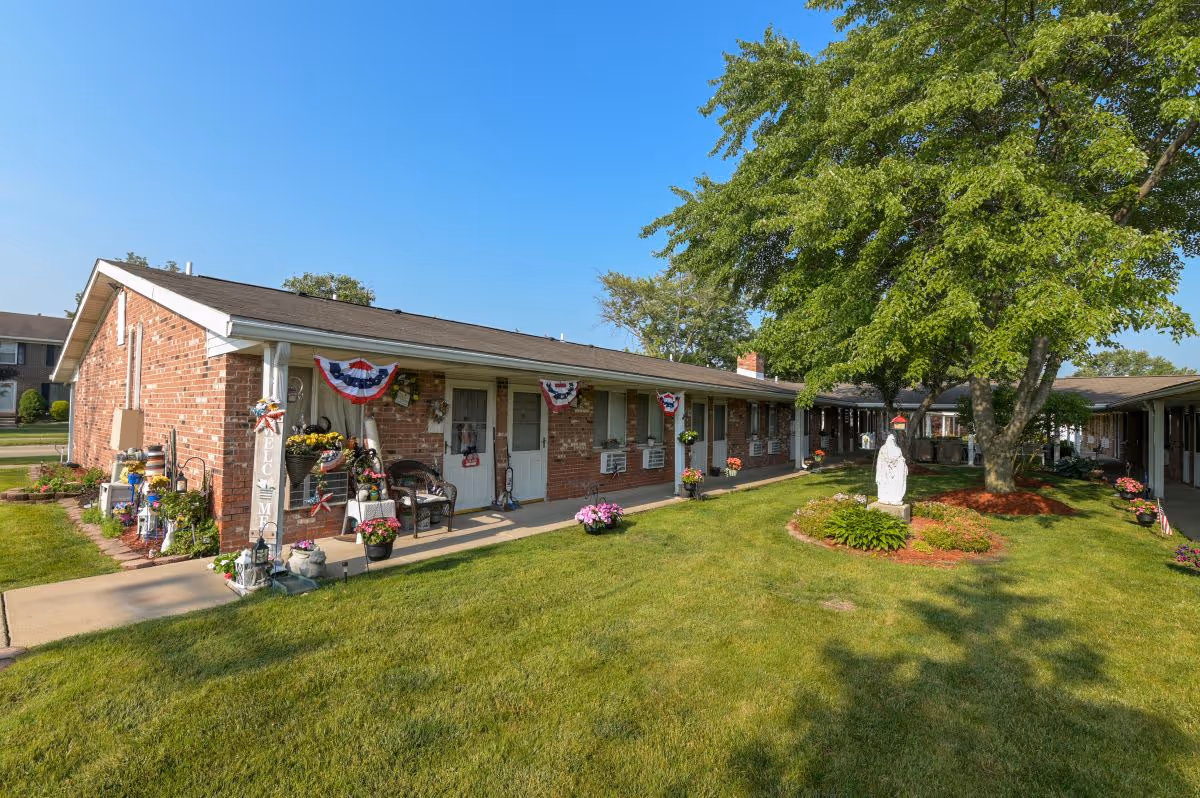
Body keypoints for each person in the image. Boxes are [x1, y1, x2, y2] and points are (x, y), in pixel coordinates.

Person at [875, 433, 908, 505]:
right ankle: (885, 497)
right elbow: (880, 460)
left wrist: (902, 462)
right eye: (890, 440)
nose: (891, 442)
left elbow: (901, 459)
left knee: (894, 485)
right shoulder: (883, 449)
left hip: (895, 472)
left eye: (893, 440)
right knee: (885, 484)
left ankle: (894, 498)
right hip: (885, 472)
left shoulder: (898, 449)